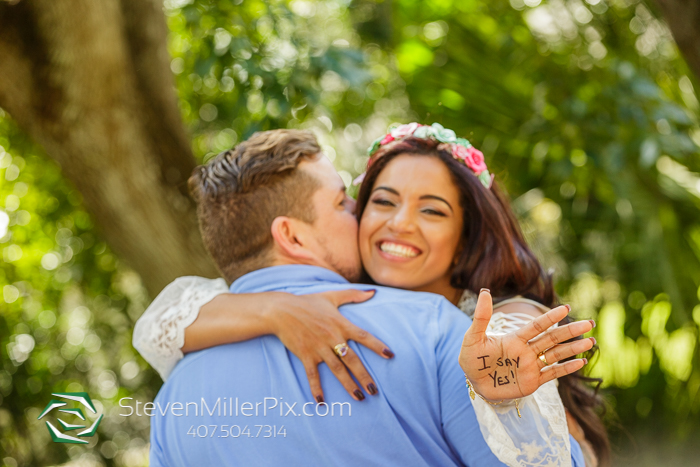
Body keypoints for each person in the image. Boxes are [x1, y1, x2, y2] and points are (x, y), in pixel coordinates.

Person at [140, 126, 600, 466]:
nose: (388, 221)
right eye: (353, 201)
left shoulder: (173, 399)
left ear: (466, 236)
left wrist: (509, 400)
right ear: (292, 238)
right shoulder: (433, 328)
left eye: (432, 210)